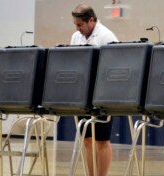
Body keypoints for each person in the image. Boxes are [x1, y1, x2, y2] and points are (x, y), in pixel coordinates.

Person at [70, 4, 118, 176]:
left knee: (101, 140)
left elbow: (115, 69)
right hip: (83, 94)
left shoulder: (107, 37)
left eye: (80, 25)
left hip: (102, 94)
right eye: (75, 25)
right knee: (88, 140)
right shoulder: (76, 37)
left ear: (91, 20)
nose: (77, 28)